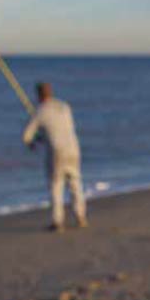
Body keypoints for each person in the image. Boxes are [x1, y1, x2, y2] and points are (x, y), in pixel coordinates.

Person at [22, 82, 87, 232]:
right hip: (73, 148)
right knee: (75, 183)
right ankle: (81, 217)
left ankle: (57, 222)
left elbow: (26, 136)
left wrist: (32, 142)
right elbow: (59, 128)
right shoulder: (64, 107)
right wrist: (43, 135)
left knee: (56, 186)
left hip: (57, 152)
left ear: (38, 95)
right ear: (50, 92)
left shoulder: (41, 111)